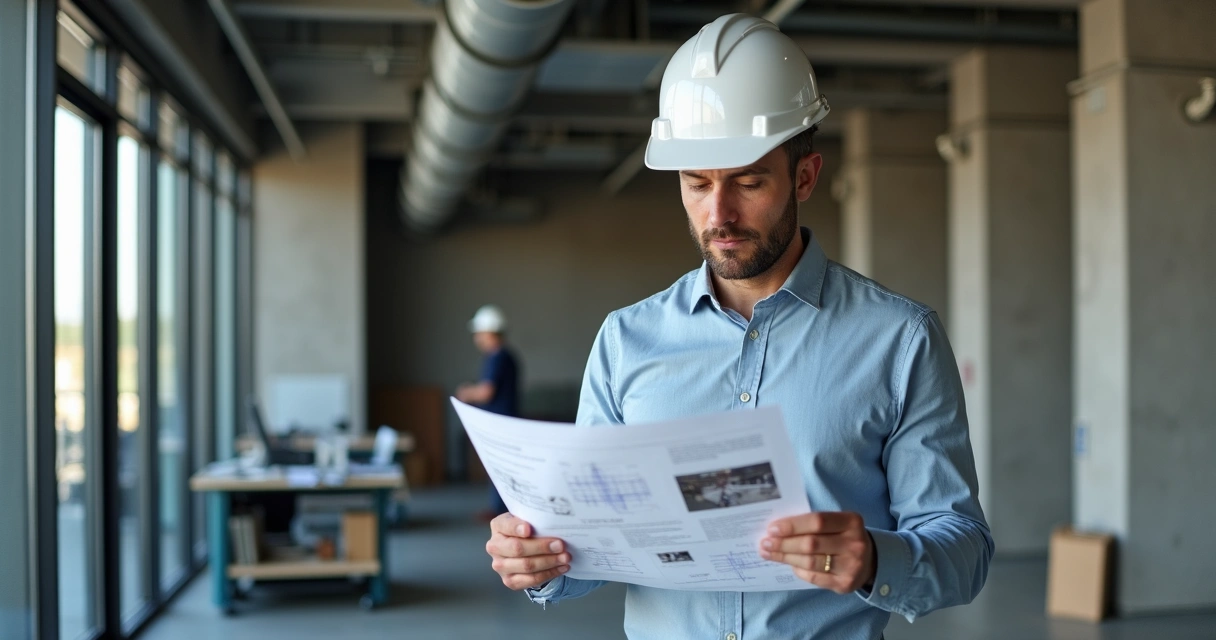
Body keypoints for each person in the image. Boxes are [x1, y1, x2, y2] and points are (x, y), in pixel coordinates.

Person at [484, 13, 992, 640]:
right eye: (697, 185)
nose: (718, 214)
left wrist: (873, 560)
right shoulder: (625, 342)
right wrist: (542, 563)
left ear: (804, 177)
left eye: (748, 182)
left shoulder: (899, 340)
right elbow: (596, 542)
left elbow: (962, 549)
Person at [455, 304, 520, 522]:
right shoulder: (506, 356)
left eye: (479, 333)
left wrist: (466, 392)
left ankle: (501, 511)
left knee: (500, 468)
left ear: (489, 332)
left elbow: (486, 392)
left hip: (500, 422)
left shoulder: (498, 357)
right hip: (504, 419)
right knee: (499, 468)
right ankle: (498, 509)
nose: (477, 338)